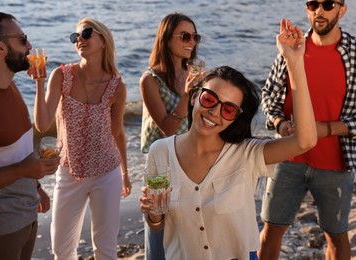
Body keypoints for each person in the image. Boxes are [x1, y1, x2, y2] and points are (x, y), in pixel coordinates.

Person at [139, 19, 317, 259]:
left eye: (229, 109)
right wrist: (153, 214)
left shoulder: (247, 154)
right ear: (194, 97)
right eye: (210, 99)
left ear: (235, 118)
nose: (214, 112)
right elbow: (157, 226)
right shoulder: (160, 152)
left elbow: (305, 140)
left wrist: (294, 62)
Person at [259, 1, 355, 259]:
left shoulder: (354, 53)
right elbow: (268, 95)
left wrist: (324, 129)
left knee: (336, 236)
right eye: (313, 4)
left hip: (335, 163)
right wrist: (280, 123)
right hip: (288, 158)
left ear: (342, 10)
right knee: (270, 231)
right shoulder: (292, 48)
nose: (319, 11)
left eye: (327, 4)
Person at [33, 17, 132, 260]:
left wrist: (125, 173)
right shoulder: (61, 75)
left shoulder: (117, 87)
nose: (79, 39)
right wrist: (40, 83)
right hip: (69, 171)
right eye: (75, 36)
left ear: (103, 39)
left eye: (86, 33)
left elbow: (117, 132)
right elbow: (43, 124)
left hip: (107, 172)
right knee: (62, 249)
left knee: (106, 248)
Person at [0, 12, 60, 259]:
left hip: (26, 213)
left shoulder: (11, 86)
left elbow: (16, 151)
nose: (29, 45)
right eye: (22, 39)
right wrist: (23, 170)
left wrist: (36, 185)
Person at [139, 12, 201, 260]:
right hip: (160, 165)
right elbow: (168, 128)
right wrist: (188, 94)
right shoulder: (150, 80)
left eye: (195, 36)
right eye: (185, 36)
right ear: (166, 39)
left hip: (191, 160)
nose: (191, 42)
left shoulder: (194, 74)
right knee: (158, 225)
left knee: (190, 225)